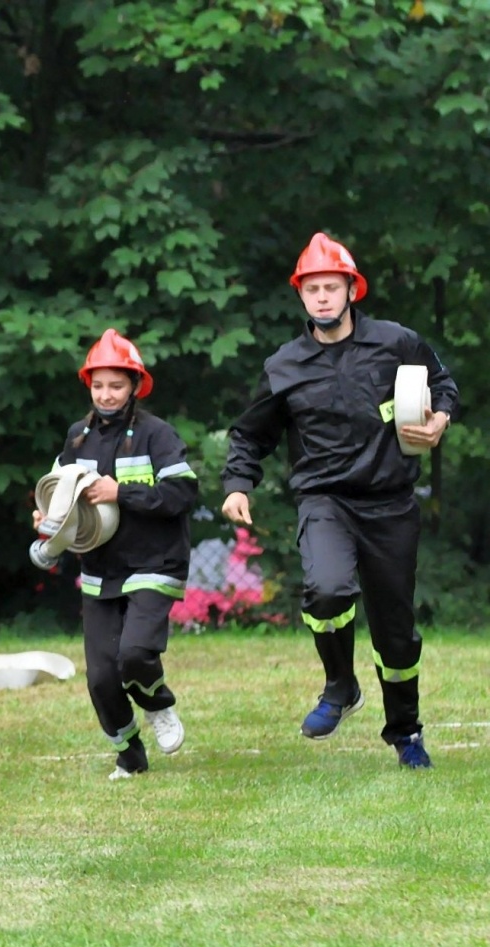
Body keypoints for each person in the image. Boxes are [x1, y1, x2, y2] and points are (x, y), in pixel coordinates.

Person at [222, 233, 457, 768]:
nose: (322, 297)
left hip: (391, 501)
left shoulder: (396, 342)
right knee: (327, 591)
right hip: (324, 500)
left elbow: (443, 385)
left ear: (351, 289)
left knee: (395, 633)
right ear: (301, 296)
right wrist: (238, 483)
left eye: (332, 286)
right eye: (312, 289)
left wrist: (440, 418)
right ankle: (340, 686)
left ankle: (406, 733)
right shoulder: (284, 365)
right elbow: (249, 434)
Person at [45, 330, 196, 779]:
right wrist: (48, 521)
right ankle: (129, 752)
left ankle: (158, 704)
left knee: (134, 654)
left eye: (116, 385)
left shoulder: (157, 434)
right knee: (100, 679)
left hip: (155, 563)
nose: (106, 395)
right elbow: (57, 496)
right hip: (99, 571)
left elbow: (182, 493)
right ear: (88, 387)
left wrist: (121, 492)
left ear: (134, 386)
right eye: (98, 386)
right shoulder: (77, 438)